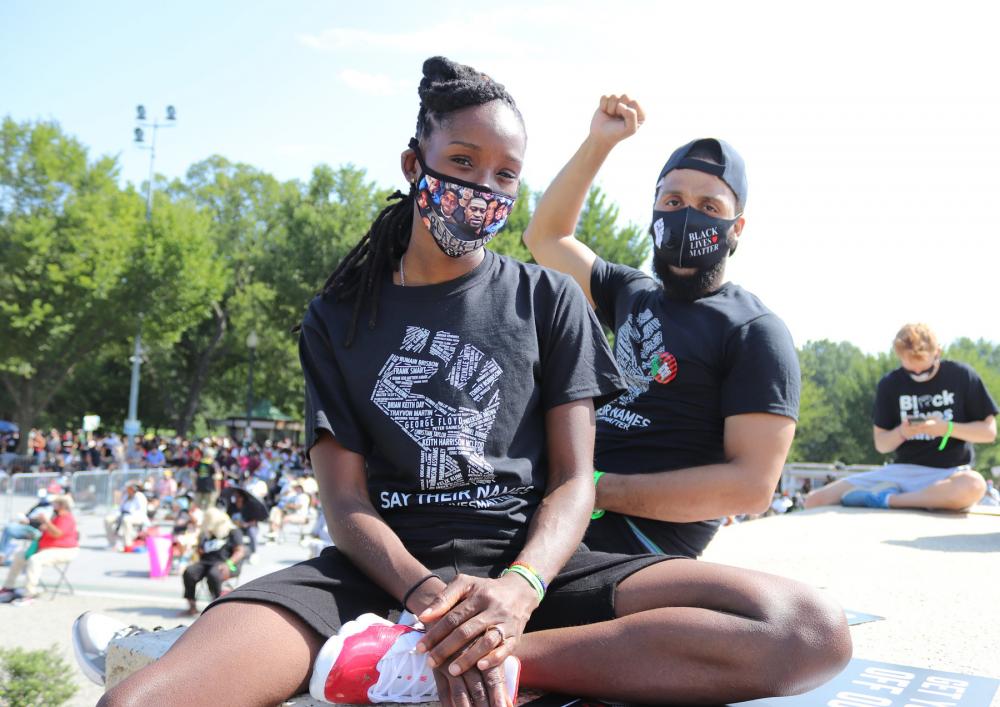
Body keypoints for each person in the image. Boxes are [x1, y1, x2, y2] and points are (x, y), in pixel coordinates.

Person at [98, 57, 848, 707]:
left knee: (808, 630)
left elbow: (574, 481)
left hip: (531, 568)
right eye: (462, 162)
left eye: (505, 174)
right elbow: (345, 500)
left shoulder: (549, 299)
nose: (483, 186)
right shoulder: (337, 315)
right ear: (412, 164)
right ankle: (428, 644)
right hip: (378, 573)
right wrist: (426, 596)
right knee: (138, 696)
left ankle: (443, 667)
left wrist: (516, 596)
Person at [523, 95, 800, 558]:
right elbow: (546, 237)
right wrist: (599, 143)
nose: (686, 215)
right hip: (559, 507)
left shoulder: (755, 331)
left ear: (737, 227)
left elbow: (751, 487)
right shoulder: (631, 292)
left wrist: (593, 489)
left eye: (709, 207)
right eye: (672, 200)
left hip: (637, 544)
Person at [806, 323, 996, 510]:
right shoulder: (890, 384)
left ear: (937, 352)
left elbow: (989, 432)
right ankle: (909, 498)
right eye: (911, 371)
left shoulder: (962, 375)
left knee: (974, 486)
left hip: (950, 473)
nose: (919, 374)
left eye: (925, 370)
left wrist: (947, 428)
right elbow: (882, 445)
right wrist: (902, 432)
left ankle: (888, 500)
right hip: (900, 472)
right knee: (815, 500)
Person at [1, 495, 78, 602]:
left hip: (64, 550)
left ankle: (29, 593)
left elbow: (57, 533)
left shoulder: (67, 518)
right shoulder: (55, 517)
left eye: (55, 503)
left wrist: (46, 522)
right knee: (19, 556)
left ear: (62, 505)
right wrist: (37, 523)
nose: (53, 505)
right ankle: (8, 587)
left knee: (35, 560)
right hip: (46, 548)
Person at [180, 507, 245, 616]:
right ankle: (192, 606)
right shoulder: (208, 533)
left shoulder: (233, 531)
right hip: (206, 562)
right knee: (189, 572)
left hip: (226, 563)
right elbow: (200, 550)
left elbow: (240, 551)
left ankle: (217, 606)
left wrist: (228, 563)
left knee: (213, 574)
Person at [104, 483, 148, 550]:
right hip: (123, 514)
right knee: (108, 519)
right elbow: (120, 508)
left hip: (136, 517)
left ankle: (127, 544)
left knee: (126, 519)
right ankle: (112, 542)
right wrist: (118, 514)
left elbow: (141, 511)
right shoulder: (126, 496)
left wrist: (128, 515)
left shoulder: (140, 497)